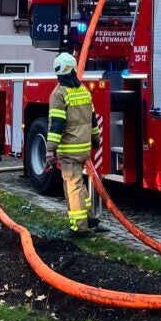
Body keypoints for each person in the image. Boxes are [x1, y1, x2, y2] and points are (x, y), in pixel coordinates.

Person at [45, 52, 104, 236]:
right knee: (79, 184)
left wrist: (49, 150)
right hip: (84, 147)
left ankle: (79, 227)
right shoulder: (83, 91)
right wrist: (96, 140)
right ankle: (89, 218)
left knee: (73, 186)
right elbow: (93, 119)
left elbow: (57, 124)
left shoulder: (59, 93)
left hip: (69, 149)